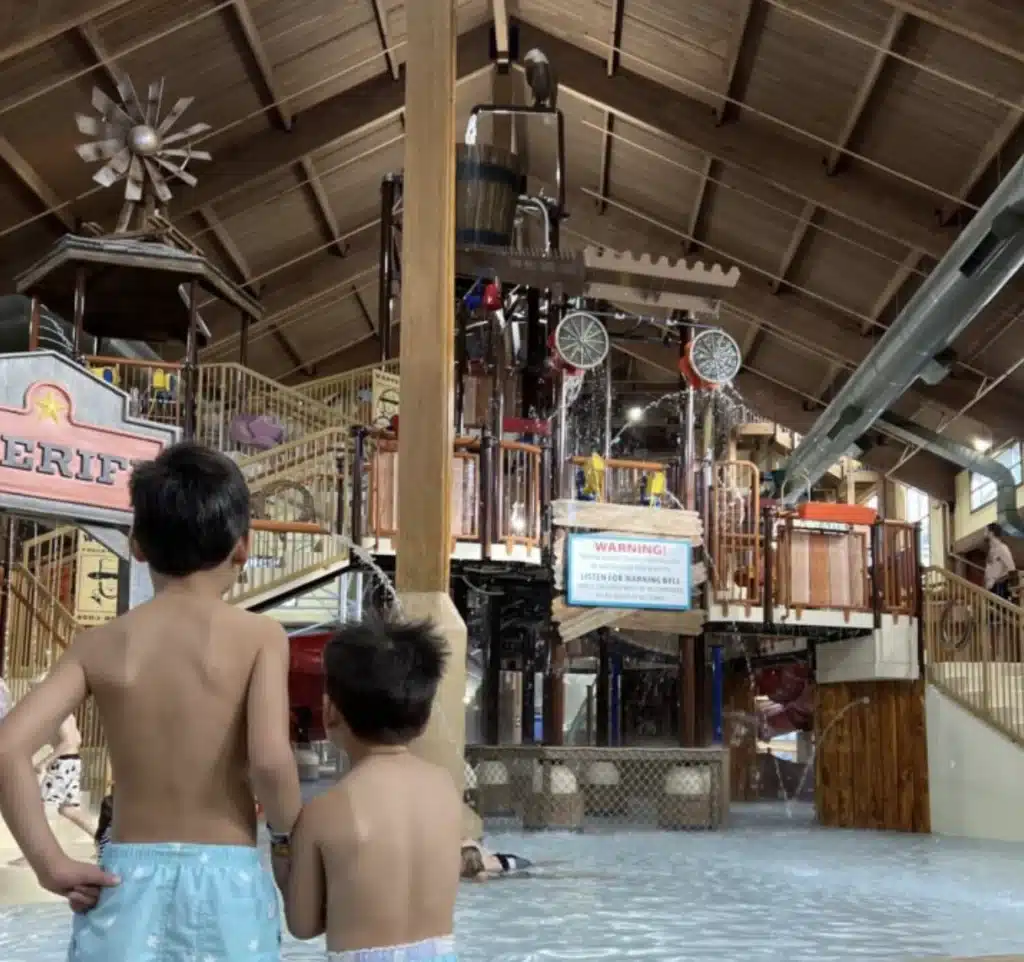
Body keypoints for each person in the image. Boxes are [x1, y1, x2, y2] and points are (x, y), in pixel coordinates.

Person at [0, 440, 302, 961]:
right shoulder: (259, 636)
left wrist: (49, 862)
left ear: (137, 545)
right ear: (243, 547)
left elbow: (8, 750)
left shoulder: (98, 644)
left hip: (123, 878)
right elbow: (270, 762)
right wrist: (287, 837)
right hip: (225, 877)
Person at [272, 616, 461, 962]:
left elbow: (303, 925)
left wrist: (280, 846)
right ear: (426, 713)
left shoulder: (324, 812)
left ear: (329, 712)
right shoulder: (445, 788)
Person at [33, 692, 94, 837]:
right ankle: (104, 839)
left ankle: (40, 851)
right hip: (71, 762)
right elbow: (77, 739)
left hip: (63, 763)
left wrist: (45, 761)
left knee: (39, 809)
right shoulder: (65, 714)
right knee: (68, 809)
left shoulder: (58, 713)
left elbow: (69, 741)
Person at [459, 840, 533, 881]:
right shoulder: (468, 863)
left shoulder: (480, 873)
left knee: (534, 866)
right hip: (500, 859)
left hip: (512, 863)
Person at [984, 522, 1016, 600]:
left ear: (991, 533)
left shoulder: (1002, 548)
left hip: (1000, 588)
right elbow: (989, 569)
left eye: (985, 531)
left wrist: (997, 581)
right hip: (989, 589)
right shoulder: (991, 550)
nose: (984, 534)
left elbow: (1012, 569)